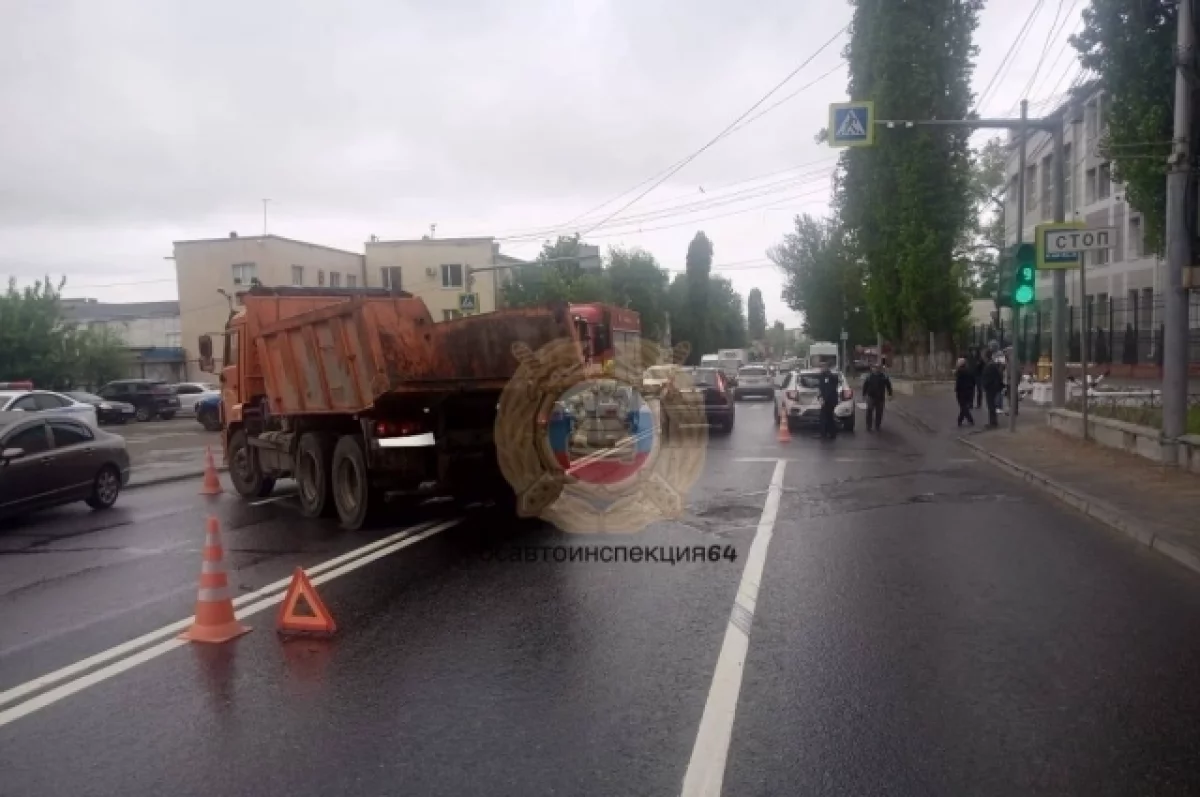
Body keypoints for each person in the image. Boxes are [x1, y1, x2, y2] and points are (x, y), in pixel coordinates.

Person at [861, 364, 893, 431]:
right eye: (875, 368)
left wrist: (890, 394)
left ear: (880, 369)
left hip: (880, 397)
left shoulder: (884, 377)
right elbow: (865, 385)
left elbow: (888, 386)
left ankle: (877, 425)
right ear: (872, 369)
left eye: (878, 368)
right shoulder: (869, 376)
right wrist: (864, 394)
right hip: (871, 396)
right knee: (869, 411)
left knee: (879, 412)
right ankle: (869, 425)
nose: (876, 369)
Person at [981, 349, 1005, 427]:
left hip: (991, 388)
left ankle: (993, 422)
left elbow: (989, 378)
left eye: (983, 355)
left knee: (991, 405)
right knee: (991, 405)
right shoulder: (991, 364)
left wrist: (985, 385)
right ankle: (992, 421)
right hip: (993, 388)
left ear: (986, 356)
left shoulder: (990, 365)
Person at [817, 361, 840, 439]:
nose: (821, 369)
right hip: (825, 399)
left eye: (822, 367)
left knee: (824, 416)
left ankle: (825, 433)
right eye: (821, 367)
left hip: (830, 400)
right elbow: (821, 388)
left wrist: (825, 400)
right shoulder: (822, 376)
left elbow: (829, 389)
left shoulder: (830, 376)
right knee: (828, 416)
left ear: (826, 368)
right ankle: (830, 433)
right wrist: (820, 396)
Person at [954, 357, 976, 427]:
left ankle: (968, 420)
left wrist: (956, 389)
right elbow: (973, 381)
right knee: (964, 406)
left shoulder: (959, 372)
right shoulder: (969, 371)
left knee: (963, 407)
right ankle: (961, 420)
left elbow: (958, 383)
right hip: (969, 391)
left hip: (961, 392)